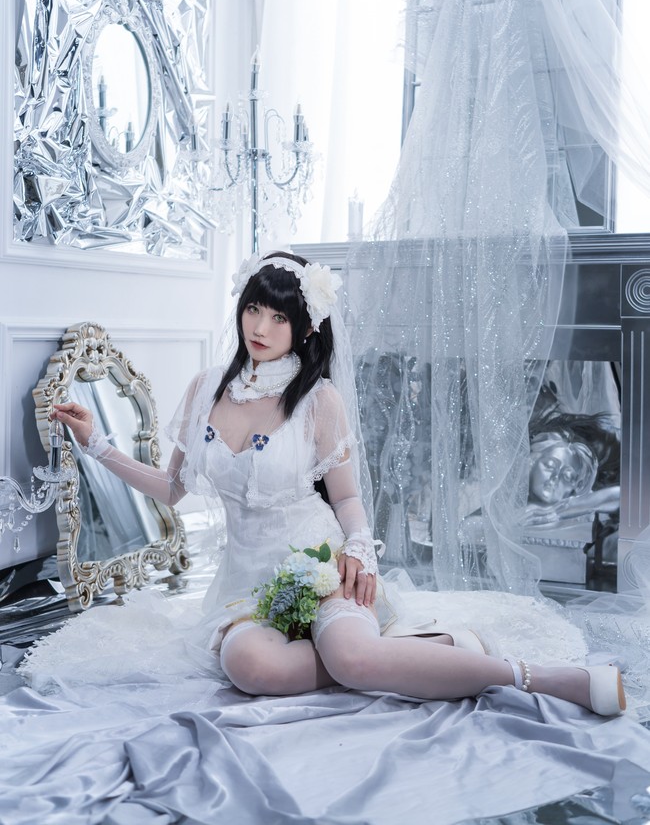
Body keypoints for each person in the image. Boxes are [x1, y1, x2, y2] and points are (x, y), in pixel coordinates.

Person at [52, 251, 626, 715]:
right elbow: (173, 487)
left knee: (351, 659)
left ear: (305, 328)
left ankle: (537, 678)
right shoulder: (206, 388)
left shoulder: (318, 399)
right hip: (244, 585)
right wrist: (97, 444)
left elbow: (346, 496)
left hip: (321, 561)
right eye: (254, 309)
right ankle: (414, 654)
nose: (260, 327)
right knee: (252, 669)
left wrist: (358, 549)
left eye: (279, 318)